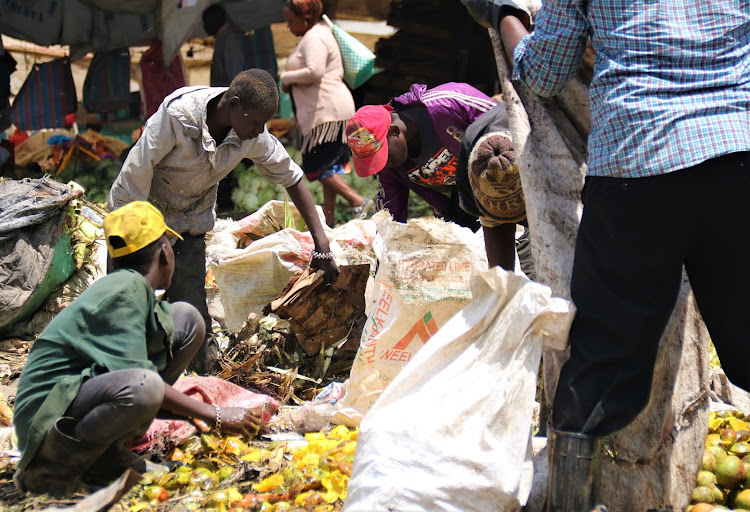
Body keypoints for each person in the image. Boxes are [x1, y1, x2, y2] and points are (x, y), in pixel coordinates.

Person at [463, 0, 750, 509]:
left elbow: (547, 73)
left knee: (601, 360)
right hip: (738, 151)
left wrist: (505, 16)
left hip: (640, 165)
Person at [13, 201, 265, 497]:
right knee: (143, 386)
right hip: (46, 420)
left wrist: (195, 416)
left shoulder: (130, 288)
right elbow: (140, 380)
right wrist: (215, 414)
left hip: (75, 396)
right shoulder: (125, 290)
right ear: (164, 253)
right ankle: (51, 472)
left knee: (185, 319)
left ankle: (108, 456)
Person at [108, 69, 339, 375]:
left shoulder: (250, 133)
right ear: (233, 104)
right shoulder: (178, 117)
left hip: (189, 222)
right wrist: (152, 239)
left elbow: (293, 178)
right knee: (127, 313)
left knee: (193, 320)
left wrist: (321, 245)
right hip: (135, 220)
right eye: (256, 122)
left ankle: (196, 386)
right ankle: (119, 386)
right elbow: (136, 175)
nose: (261, 131)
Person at [346, 83, 527, 271]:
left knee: (524, 257)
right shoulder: (390, 166)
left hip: (510, 182)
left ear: (394, 131)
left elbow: (505, 126)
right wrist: (383, 265)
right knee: (474, 268)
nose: (383, 165)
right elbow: (390, 217)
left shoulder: (448, 104)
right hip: (463, 201)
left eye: (384, 156)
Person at [280, 0, 372, 227]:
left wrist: (285, 78)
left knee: (316, 168)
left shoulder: (315, 37)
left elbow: (315, 71)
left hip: (327, 112)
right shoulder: (316, 34)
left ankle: (357, 201)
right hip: (326, 111)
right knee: (328, 166)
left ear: (305, 17)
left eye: (291, 21)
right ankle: (329, 222)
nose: (288, 27)